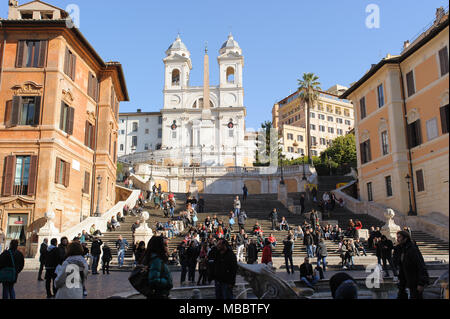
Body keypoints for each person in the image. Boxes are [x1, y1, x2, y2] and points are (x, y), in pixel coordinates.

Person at [396, 230, 429, 299]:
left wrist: (421, 283)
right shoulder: (402, 249)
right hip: (405, 282)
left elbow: (421, 265)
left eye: (399, 237)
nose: (397, 239)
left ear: (405, 238)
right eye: (397, 237)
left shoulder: (412, 249)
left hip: (415, 282)